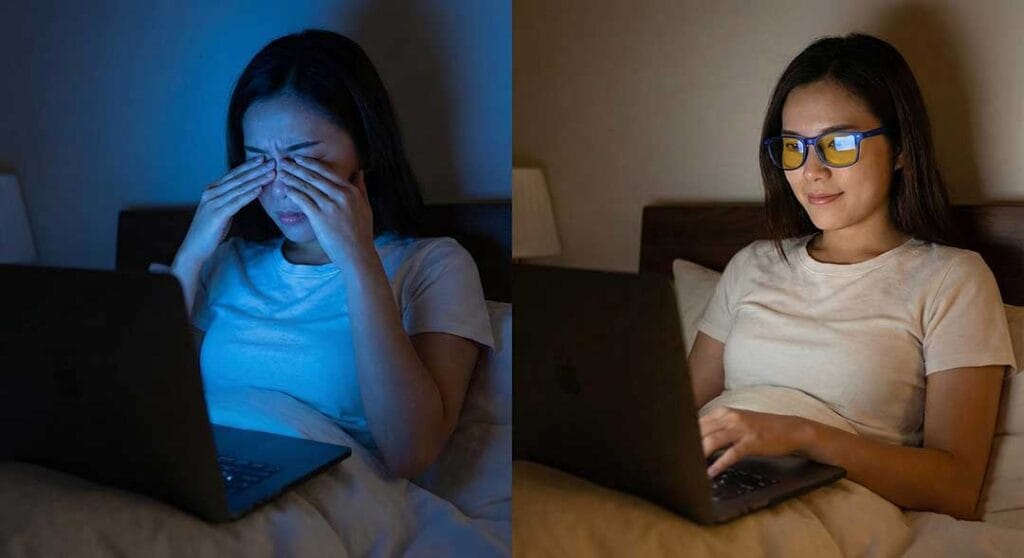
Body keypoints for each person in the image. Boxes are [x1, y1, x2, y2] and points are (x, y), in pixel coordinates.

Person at [689, 33, 1015, 520]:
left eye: (838, 144)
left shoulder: (951, 279)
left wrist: (800, 434)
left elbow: (955, 486)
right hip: (710, 478)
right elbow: (672, 414)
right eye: (794, 147)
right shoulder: (753, 264)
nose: (811, 170)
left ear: (901, 149)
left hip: (828, 501)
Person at [169, 29, 493, 479]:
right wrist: (189, 257)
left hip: (329, 497)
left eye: (304, 161)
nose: (280, 189)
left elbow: (410, 453)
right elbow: (149, 404)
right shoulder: (226, 263)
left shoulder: (434, 266)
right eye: (258, 162)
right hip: (209, 474)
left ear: (365, 151)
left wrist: (358, 259)